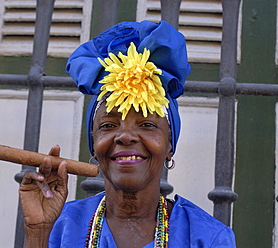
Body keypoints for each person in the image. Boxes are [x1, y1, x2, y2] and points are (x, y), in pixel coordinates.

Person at [19, 20, 236, 248]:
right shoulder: (60, 227)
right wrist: (38, 232)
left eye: (147, 125)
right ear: (94, 146)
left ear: (169, 146)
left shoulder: (206, 238)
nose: (125, 136)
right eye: (108, 126)